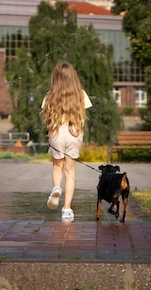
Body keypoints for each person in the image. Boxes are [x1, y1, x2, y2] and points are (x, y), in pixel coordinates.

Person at [41, 61, 92, 220]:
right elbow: (83, 115)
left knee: (57, 166)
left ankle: (57, 188)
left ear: (56, 78)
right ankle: (67, 209)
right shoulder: (81, 94)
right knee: (70, 172)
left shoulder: (50, 95)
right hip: (74, 132)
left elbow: (47, 118)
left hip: (56, 133)